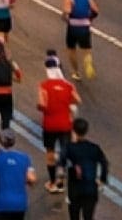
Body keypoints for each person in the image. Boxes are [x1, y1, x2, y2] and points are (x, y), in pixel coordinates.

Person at [36, 52, 80, 194]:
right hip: (65, 123)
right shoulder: (68, 86)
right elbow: (77, 100)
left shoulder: (44, 86)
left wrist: (43, 108)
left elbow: (42, 104)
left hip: (49, 124)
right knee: (64, 151)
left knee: (50, 152)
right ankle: (61, 178)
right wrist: (66, 103)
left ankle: (52, 182)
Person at [60, 118, 110, 220]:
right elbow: (105, 163)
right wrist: (102, 179)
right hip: (90, 188)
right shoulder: (94, 148)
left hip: (75, 189)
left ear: (73, 131)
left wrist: (61, 176)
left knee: (74, 216)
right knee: (88, 216)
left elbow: (61, 164)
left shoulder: (69, 148)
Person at [0, 130, 36, 220]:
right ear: (14, 142)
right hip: (20, 205)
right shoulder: (25, 158)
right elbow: (32, 179)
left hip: (2, 204)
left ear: (0, 142)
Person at [59, 0, 99, 79]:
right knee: (86, 49)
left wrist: (64, 17)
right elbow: (95, 10)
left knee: (71, 49)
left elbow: (67, 12)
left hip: (73, 27)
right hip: (85, 26)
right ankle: (88, 61)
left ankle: (76, 72)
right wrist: (90, 19)